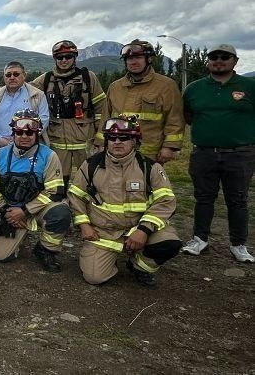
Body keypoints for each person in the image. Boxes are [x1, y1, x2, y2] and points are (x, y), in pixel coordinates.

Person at [68, 115, 182, 287]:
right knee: (94, 278)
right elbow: (75, 196)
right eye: (112, 138)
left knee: (169, 243)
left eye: (124, 137)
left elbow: (165, 202)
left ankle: (140, 266)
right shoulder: (91, 165)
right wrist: (84, 225)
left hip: (139, 230)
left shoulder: (150, 167)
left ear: (135, 141)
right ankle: (108, 257)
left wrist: (143, 230)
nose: (117, 142)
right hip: (104, 233)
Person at [181, 44, 255, 263]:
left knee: (238, 200)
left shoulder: (249, 86)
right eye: (214, 57)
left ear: (235, 60)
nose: (219, 60)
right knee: (203, 198)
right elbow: (188, 116)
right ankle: (199, 239)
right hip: (204, 153)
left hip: (240, 153)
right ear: (208, 61)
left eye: (225, 57)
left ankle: (238, 244)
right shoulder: (194, 88)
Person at [0, 110, 69, 272]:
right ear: (13, 133)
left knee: (61, 213)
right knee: (0, 257)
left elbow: (55, 191)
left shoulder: (49, 156)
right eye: (20, 132)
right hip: (9, 210)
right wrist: (5, 211)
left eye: (30, 132)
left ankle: (45, 250)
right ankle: (14, 236)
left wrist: (25, 211)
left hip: (35, 209)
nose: (25, 136)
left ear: (37, 134)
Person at [30, 41, 105, 194]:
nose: (64, 60)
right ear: (55, 59)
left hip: (85, 137)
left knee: (90, 176)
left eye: (68, 57)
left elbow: (101, 109)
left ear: (75, 57)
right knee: (58, 179)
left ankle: (90, 204)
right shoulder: (45, 80)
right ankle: (62, 205)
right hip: (57, 138)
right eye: (60, 57)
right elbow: (23, 89)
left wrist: (101, 139)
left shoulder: (88, 78)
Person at [99, 39, 184, 164]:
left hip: (150, 154)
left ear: (149, 59)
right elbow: (105, 118)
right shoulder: (115, 87)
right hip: (118, 152)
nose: (133, 62)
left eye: (138, 57)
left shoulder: (166, 86)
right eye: (129, 59)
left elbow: (175, 119)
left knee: (147, 183)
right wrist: (101, 143)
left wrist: (169, 147)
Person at [0, 62, 50, 149]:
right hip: (0, 146)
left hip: (29, 145)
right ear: (4, 77)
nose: (12, 77)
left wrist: (25, 138)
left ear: (24, 75)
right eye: (8, 75)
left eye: (16, 74)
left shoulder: (38, 95)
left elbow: (43, 119)